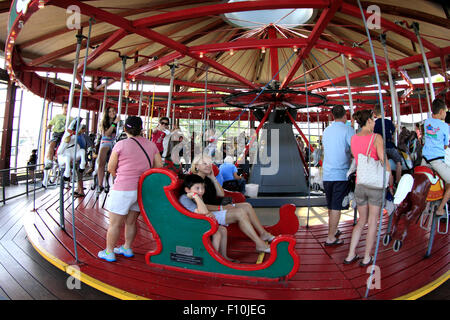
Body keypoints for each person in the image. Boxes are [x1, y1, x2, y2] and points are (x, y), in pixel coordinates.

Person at [98, 116, 163, 262]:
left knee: (115, 223)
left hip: (123, 188)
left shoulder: (120, 145)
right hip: (141, 189)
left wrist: (120, 175)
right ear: (141, 129)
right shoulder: (151, 145)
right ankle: (127, 247)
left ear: (125, 129)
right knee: (131, 221)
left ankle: (109, 252)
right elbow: (159, 166)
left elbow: (110, 168)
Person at [190, 155, 273, 253]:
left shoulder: (207, 179)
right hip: (207, 213)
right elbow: (201, 206)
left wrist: (213, 178)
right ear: (196, 166)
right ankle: (259, 244)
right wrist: (222, 208)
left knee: (246, 206)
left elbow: (221, 194)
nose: (208, 166)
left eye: (209, 163)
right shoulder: (194, 181)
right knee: (240, 213)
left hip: (217, 208)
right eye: (204, 163)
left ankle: (263, 233)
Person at [344, 110, 391, 267]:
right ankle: (366, 258)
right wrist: (390, 177)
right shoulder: (376, 137)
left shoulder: (353, 138)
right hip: (374, 185)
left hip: (360, 183)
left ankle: (350, 255)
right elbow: (383, 159)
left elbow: (356, 158)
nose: (375, 122)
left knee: (361, 220)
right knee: (372, 222)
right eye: (374, 119)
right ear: (369, 121)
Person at [178, 174, 234, 262]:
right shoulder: (184, 198)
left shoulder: (198, 196)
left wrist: (208, 213)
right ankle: (213, 260)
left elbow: (204, 211)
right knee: (216, 233)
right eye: (197, 188)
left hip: (197, 221)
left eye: (202, 188)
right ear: (187, 190)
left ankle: (223, 256)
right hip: (190, 224)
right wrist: (196, 197)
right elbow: (203, 212)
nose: (201, 191)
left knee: (223, 229)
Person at [322, 106, 355, 246]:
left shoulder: (326, 131)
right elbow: (354, 149)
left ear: (332, 116)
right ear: (345, 115)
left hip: (327, 173)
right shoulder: (348, 130)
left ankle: (334, 231)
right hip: (341, 173)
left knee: (331, 205)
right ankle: (330, 237)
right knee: (336, 206)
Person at [421, 98, 449, 217]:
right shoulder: (445, 127)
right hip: (436, 160)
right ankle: (440, 208)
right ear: (442, 111)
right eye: (446, 111)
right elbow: (446, 144)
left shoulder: (427, 122)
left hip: (424, 160)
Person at [373, 104, 402, 184]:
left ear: (375, 114)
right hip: (389, 146)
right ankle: (398, 181)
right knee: (399, 162)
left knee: (383, 165)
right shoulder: (388, 122)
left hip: (380, 147)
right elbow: (393, 133)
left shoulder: (374, 124)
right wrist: (395, 127)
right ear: (384, 113)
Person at [96, 106, 119, 194]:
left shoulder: (118, 122)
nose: (112, 113)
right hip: (106, 142)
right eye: (110, 112)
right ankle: (100, 184)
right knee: (101, 163)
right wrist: (114, 123)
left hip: (115, 142)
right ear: (107, 113)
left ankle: (115, 184)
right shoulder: (104, 123)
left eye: (113, 111)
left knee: (115, 164)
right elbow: (107, 134)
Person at [45, 102, 73, 169]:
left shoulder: (72, 119)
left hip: (66, 135)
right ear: (62, 108)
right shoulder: (57, 116)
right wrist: (48, 127)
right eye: (65, 107)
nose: (66, 109)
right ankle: (49, 160)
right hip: (57, 134)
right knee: (52, 144)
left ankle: (72, 160)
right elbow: (50, 124)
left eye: (68, 108)